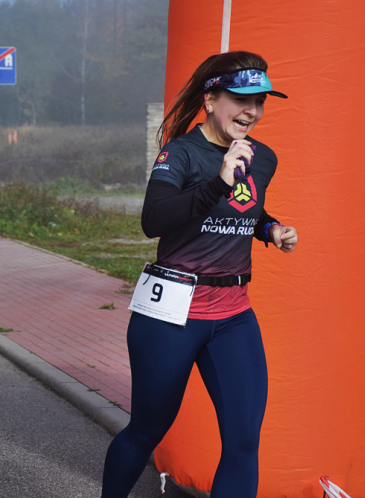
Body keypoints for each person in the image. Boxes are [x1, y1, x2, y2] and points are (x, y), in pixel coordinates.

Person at [101, 51, 298, 498]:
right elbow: (155, 219)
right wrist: (219, 181)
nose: (252, 111)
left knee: (245, 442)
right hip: (172, 313)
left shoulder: (260, 158)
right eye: (241, 98)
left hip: (233, 314)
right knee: (146, 430)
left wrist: (271, 229)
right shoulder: (181, 153)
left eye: (261, 100)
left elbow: (248, 210)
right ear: (211, 99)